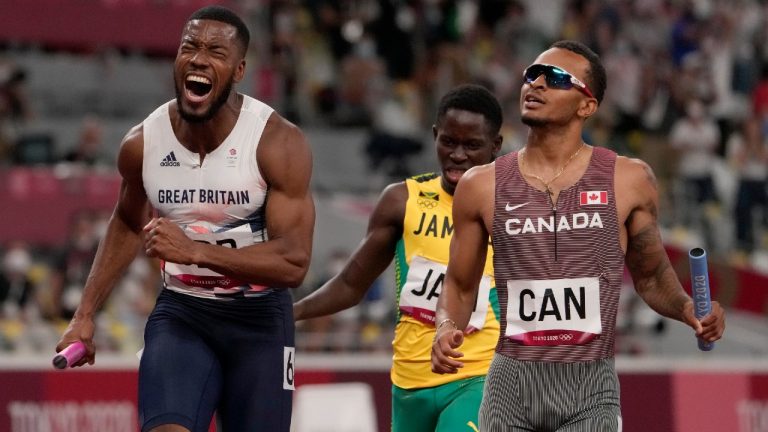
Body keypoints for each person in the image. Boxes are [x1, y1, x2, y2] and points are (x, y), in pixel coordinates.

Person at [431, 40, 726, 432]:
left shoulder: (628, 180)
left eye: (554, 78)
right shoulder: (480, 185)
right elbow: (460, 284)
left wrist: (688, 309)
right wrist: (447, 326)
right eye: (531, 75)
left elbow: (651, 276)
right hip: (509, 390)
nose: (535, 84)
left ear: (587, 105)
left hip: (589, 392)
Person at [55, 6, 315, 432]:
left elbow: (294, 262)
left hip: (259, 321)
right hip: (182, 314)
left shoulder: (276, 142)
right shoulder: (143, 143)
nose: (198, 58)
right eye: (189, 47)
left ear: (238, 70)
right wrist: (85, 314)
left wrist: (195, 251)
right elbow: (125, 221)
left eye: (215, 51)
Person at [293, 84, 503, 432]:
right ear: (435, 135)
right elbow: (350, 284)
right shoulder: (402, 201)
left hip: (477, 376)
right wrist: (292, 313)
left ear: (495, 146)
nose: (458, 155)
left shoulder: (509, 209)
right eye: (449, 141)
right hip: (409, 381)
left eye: (472, 145)